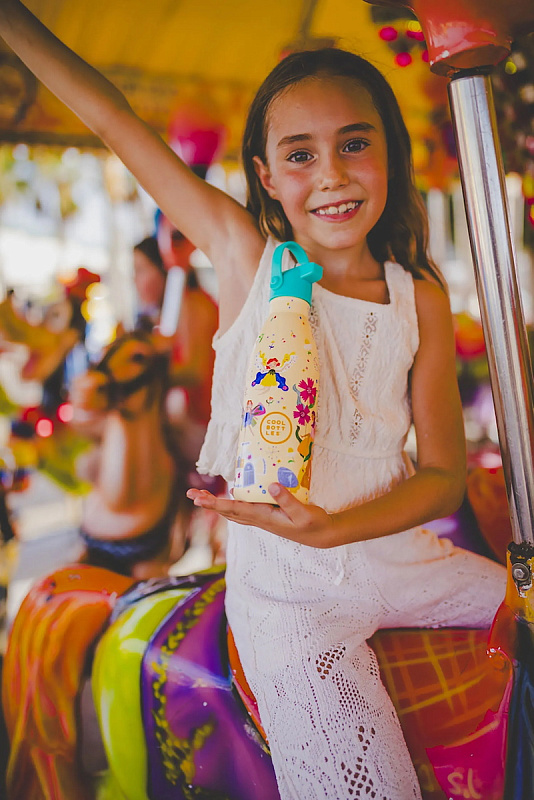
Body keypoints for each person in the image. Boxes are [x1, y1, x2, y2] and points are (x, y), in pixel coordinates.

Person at [0, 4, 506, 797]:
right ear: (266, 176)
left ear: (391, 153)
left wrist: (337, 527)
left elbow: (443, 476)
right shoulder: (249, 258)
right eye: (300, 154)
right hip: (291, 596)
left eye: (355, 144)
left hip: (399, 559)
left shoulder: (422, 297)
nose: (331, 174)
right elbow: (112, 117)